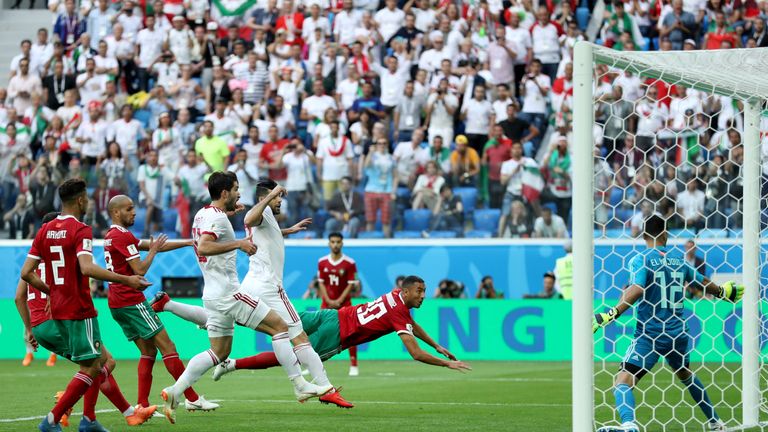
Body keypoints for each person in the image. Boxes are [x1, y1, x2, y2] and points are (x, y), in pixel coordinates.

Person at [160, 172, 346, 423]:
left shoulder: (203, 214)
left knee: (219, 352)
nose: (239, 194)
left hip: (212, 295)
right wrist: (238, 243)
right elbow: (204, 246)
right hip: (230, 292)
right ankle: (300, 384)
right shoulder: (220, 219)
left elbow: (215, 231)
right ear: (224, 193)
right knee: (280, 328)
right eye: (235, 189)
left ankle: (175, 391)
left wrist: (238, 222)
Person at [20, 179, 152, 431]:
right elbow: (87, 268)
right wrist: (127, 279)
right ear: (81, 200)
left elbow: (27, 273)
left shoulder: (44, 231)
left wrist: (51, 291)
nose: (89, 203)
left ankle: (88, 419)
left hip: (57, 310)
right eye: (87, 198)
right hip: (79, 309)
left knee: (94, 366)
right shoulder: (81, 229)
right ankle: (55, 418)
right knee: (96, 366)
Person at [593, 215, 744, 432]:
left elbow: (636, 288)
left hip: (651, 335)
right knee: (685, 374)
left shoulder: (641, 259)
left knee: (623, 381)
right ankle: (715, 422)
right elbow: (700, 281)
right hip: (678, 333)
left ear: (644, 235)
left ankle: (629, 425)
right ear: (666, 234)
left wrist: (612, 313)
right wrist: (722, 292)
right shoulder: (679, 259)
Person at [208, 276, 470, 379]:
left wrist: (436, 344)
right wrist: (446, 363)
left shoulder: (395, 297)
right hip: (337, 333)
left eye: (424, 291)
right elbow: (415, 353)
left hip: (330, 315)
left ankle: (218, 317)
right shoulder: (399, 312)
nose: (423, 296)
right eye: (419, 291)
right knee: (287, 358)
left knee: (272, 320)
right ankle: (231, 364)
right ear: (406, 291)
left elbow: (411, 324)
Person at [239, 179, 352, 404]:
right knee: (299, 336)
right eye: (277, 196)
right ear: (264, 198)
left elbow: (264, 232)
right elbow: (249, 219)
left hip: (250, 285)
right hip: (269, 287)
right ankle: (326, 388)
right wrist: (273, 194)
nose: (280, 200)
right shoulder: (260, 211)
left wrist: (289, 230)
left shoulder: (267, 218)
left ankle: (200, 316)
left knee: (254, 326)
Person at [104, 195, 218, 411]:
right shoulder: (122, 236)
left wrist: (186, 242)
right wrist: (154, 251)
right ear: (116, 212)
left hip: (117, 303)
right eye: (129, 209)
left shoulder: (112, 236)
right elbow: (139, 270)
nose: (134, 212)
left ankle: (142, 405)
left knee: (148, 352)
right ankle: (192, 398)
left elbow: (151, 245)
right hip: (132, 302)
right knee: (169, 347)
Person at [316, 233, 361, 376]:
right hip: (326, 302)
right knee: (319, 333)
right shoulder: (322, 262)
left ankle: (353, 364)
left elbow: (350, 285)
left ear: (342, 243)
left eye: (338, 242)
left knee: (351, 333)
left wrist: (339, 300)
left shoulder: (350, 263)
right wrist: (328, 300)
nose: (335, 244)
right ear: (329, 244)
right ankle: (315, 364)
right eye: (333, 242)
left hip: (345, 303)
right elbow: (321, 283)